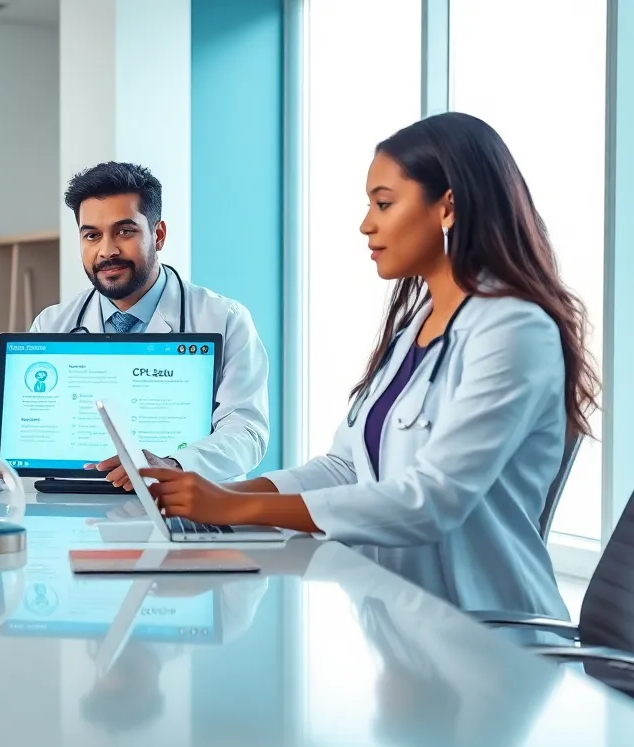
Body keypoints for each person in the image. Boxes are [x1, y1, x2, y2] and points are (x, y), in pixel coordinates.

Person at [139, 112, 598, 618]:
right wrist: (212, 494)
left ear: (448, 206)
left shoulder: (514, 330)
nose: (366, 223)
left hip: (487, 635)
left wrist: (233, 508)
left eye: (384, 203)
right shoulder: (418, 324)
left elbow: (429, 500)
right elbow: (346, 467)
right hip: (401, 622)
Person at [0, 162, 271, 485]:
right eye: (92, 235)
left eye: (125, 231)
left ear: (157, 235)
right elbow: (9, 428)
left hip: (184, 504)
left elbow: (246, 432)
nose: (107, 251)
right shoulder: (52, 323)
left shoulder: (224, 319)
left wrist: (172, 465)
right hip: (72, 506)